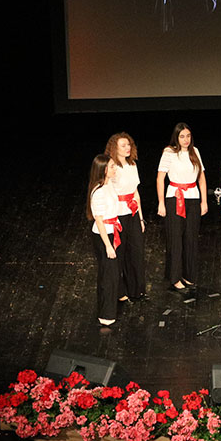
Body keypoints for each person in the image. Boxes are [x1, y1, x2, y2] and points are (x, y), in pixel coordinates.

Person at [156, 123, 208, 292]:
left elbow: (201, 177)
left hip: (192, 197)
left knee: (191, 238)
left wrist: (204, 201)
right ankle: (175, 277)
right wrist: (161, 202)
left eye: (188, 136)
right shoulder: (169, 153)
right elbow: (160, 178)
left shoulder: (195, 151)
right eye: (182, 136)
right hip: (175, 197)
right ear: (176, 138)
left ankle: (188, 275)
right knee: (176, 238)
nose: (186, 140)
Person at [105, 133, 146, 302]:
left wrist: (141, 218)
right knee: (119, 253)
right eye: (123, 145)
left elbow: (136, 192)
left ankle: (136, 289)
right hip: (117, 213)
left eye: (129, 144)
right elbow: (107, 191)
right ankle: (119, 291)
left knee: (136, 251)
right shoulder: (112, 167)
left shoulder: (132, 165)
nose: (127, 148)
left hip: (133, 212)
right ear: (114, 148)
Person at [87, 154, 122, 326]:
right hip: (104, 236)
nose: (115, 168)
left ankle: (109, 308)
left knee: (112, 274)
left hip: (112, 231)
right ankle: (105, 314)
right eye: (112, 166)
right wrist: (108, 245)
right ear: (104, 169)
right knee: (108, 275)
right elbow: (99, 221)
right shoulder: (99, 192)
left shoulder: (109, 185)